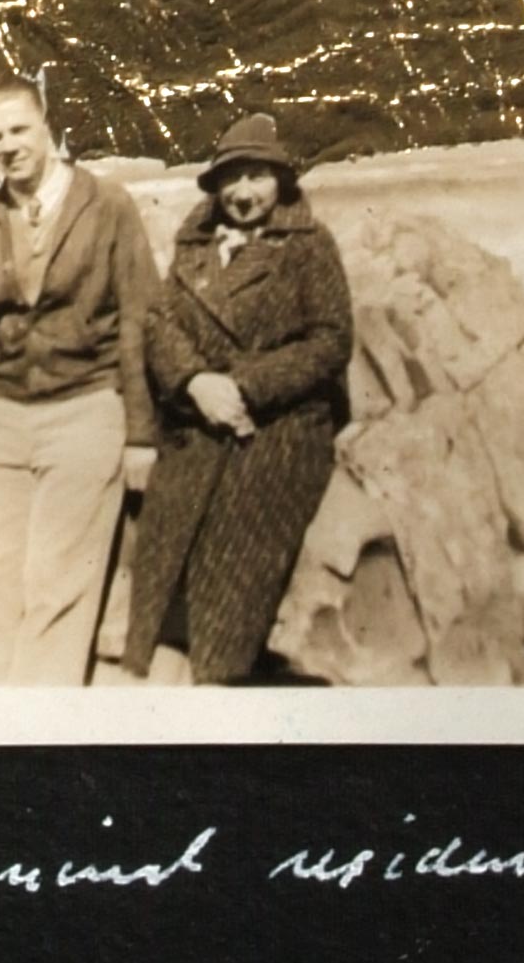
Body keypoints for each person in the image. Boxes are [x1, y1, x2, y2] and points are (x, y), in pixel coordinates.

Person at [121, 113, 354, 685]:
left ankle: (219, 679)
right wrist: (195, 382)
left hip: (277, 430)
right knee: (165, 551)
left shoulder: (308, 245)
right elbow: (160, 322)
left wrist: (243, 386)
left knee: (235, 560)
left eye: (258, 177)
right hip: (200, 417)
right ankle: (161, 673)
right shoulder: (196, 243)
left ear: (281, 180)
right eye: (232, 178)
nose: (244, 193)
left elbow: (331, 341)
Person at [0, 79, 159, 684]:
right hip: (5, 418)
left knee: (57, 587)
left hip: (86, 408)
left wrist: (142, 434)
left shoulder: (108, 205)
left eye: (19, 130)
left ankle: (39, 725)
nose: (9, 146)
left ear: (46, 127)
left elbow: (141, 319)